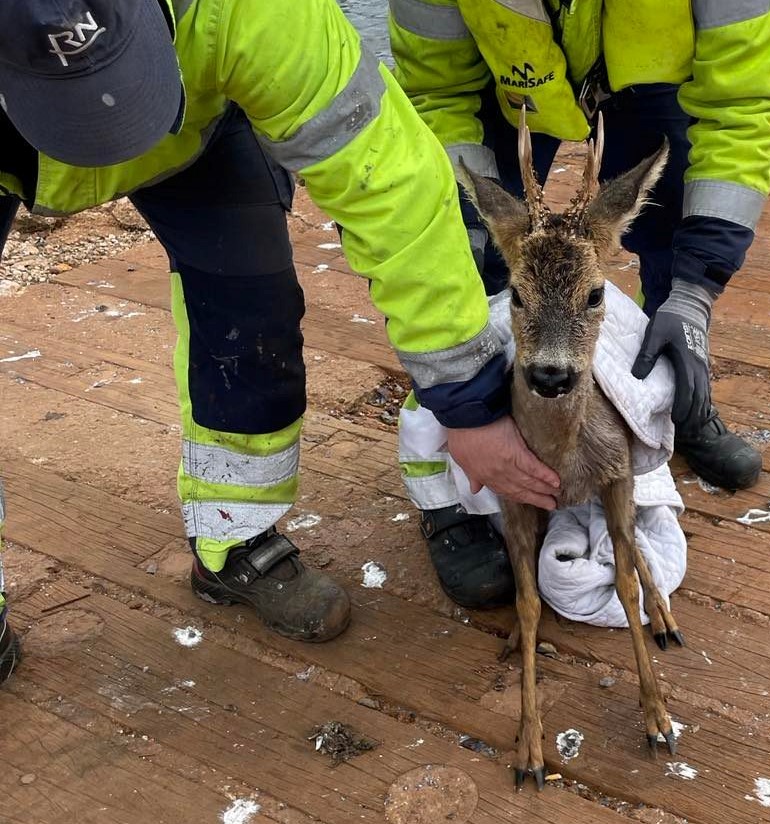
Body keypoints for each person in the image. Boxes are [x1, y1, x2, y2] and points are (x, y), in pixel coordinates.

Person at [0, 0, 562, 673]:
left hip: (193, 136)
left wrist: (469, 402)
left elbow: (395, 191)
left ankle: (232, 540)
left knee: (254, 323)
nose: (108, 125)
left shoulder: (257, 12)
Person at [389, 0, 770, 609]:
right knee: (467, 272)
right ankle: (447, 484)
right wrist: (466, 242)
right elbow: (434, 89)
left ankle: (668, 401)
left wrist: (694, 292)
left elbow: (744, 101)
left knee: (675, 217)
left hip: (656, 80)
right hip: (505, 90)